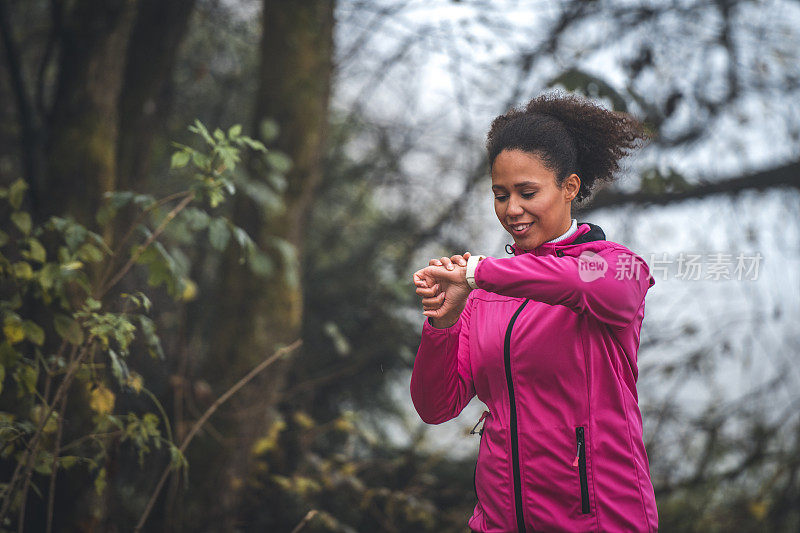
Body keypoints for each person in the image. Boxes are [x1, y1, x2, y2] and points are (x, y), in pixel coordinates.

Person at [410, 91, 658, 533]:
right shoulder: (484, 293)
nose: (511, 209)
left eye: (527, 192)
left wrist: (479, 271)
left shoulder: (617, 267)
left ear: (570, 187)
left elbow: (584, 285)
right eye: (500, 194)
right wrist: (443, 325)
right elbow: (436, 407)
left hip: (601, 523)